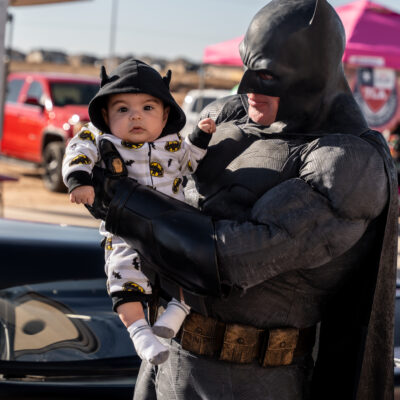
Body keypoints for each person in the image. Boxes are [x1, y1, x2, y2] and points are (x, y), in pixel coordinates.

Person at [88, 0, 398, 399]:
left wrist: (119, 201)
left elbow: (227, 260)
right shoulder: (229, 116)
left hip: (252, 381)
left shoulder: (346, 162)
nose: (248, 88)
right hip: (165, 361)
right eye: (247, 68)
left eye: (268, 74)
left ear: (311, 73)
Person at [62, 59, 216, 365]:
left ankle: (176, 313)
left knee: (189, 269)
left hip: (173, 225)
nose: (136, 116)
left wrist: (199, 138)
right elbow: (78, 150)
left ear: (165, 114)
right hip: (125, 230)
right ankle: (140, 333)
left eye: (148, 108)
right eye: (122, 109)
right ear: (105, 114)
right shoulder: (102, 139)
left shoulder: (171, 144)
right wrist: (79, 180)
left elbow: (190, 162)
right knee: (124, 278)